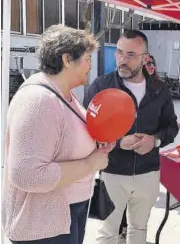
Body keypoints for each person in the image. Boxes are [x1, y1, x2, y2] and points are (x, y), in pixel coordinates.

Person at [2, 24, 114, 244]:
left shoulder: (65, 95)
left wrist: (97, 142)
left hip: (66, 215)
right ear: (67, 59)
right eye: (87, 59)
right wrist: (91, 163)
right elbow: (27, 174)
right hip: (44, 225)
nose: (90, 66)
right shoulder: (38, 100)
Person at [83, 30, 179, 244]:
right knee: (108, 232)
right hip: (112, 172)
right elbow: (85, 130)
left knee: (139, 229)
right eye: (119, 53)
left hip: (148, 173)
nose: (122, 60)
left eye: (130, 55)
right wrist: (117, 142)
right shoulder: (102, 86)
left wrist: (154, 141)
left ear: (145, 58)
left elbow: (171, 126)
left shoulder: (159, 89)